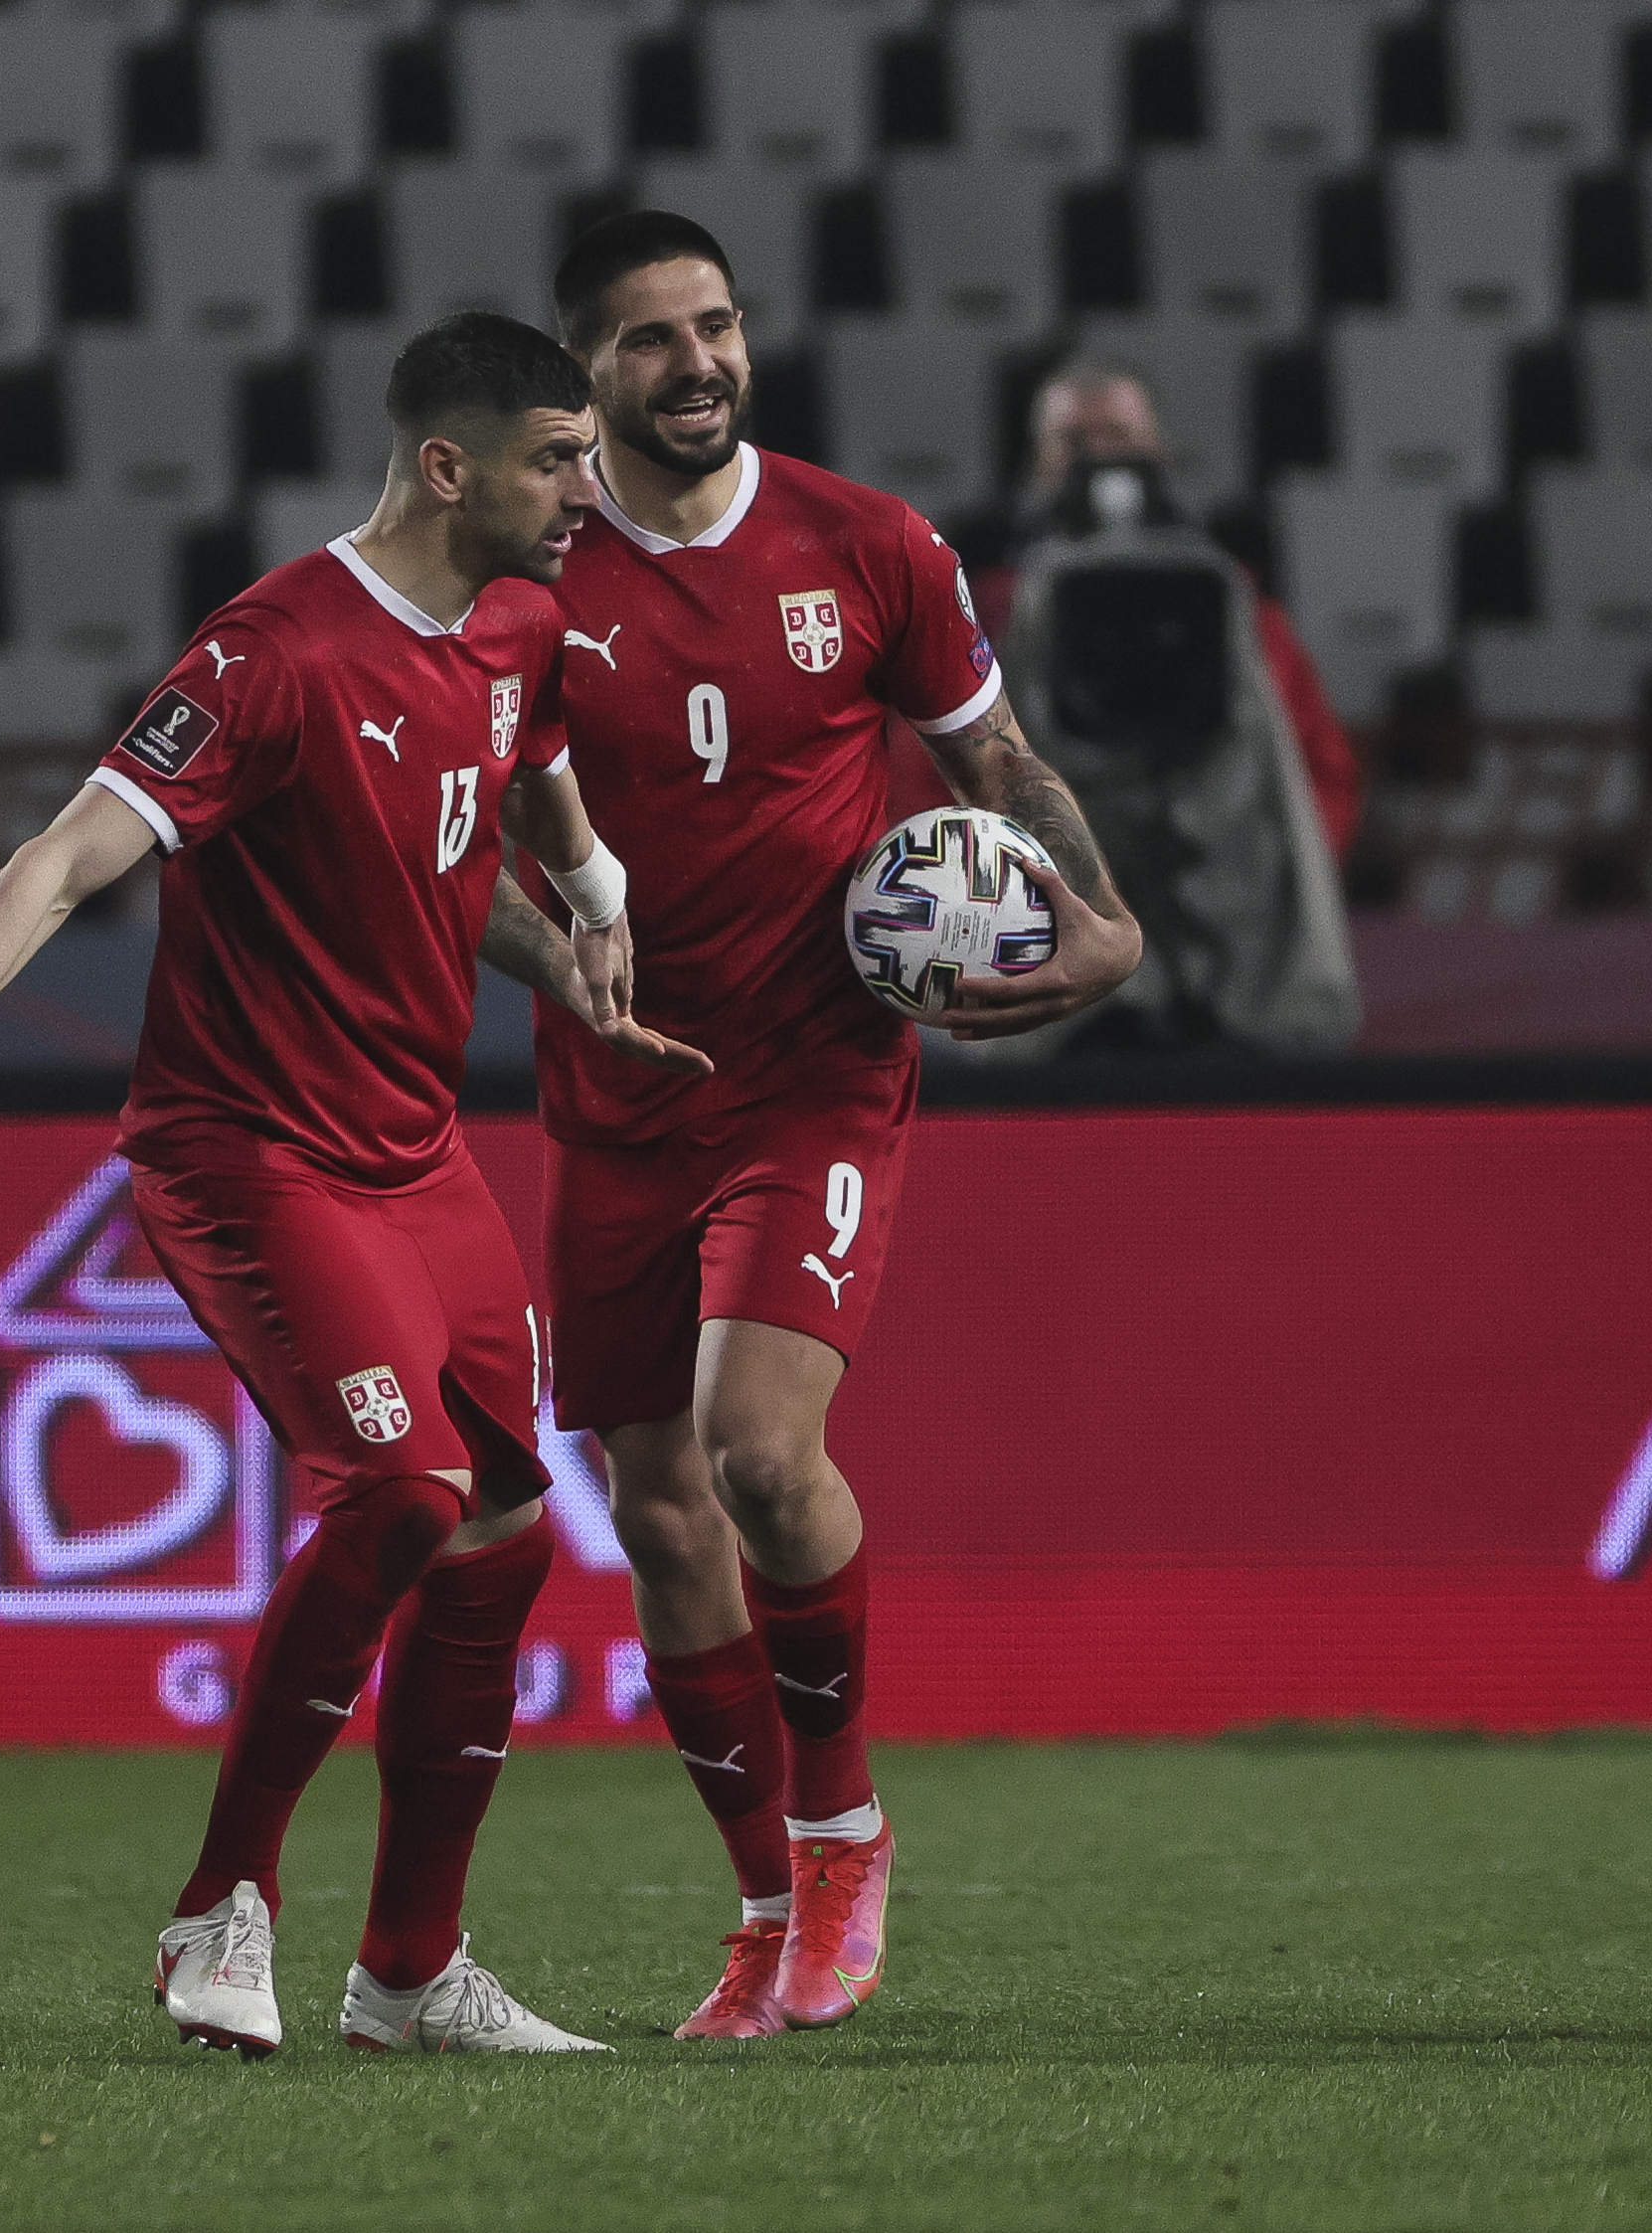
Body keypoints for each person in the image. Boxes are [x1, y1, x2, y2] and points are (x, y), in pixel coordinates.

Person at [0, 311, 671, 2056]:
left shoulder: (518, 618)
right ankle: (218, 1911)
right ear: (448, 466)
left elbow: (521, 777)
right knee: (401, 1489)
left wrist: (589, 913)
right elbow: (68, 855)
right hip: (246, 1149)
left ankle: (412, 1974)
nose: (593, 486)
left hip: (418, 1153)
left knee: (504, 1516)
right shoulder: (272, 654)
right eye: (560, 457)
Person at [492, 210, 1141, 2041]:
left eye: (717, 326)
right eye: (649, 342)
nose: (697, 363)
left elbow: (994, 766)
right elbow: (456, 846)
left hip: (818, 1065)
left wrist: (1102, 922)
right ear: (587, 376)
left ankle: (846, 1827)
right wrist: (561, 964)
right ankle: (766, 1907)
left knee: (761, 1456)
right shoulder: (525, 583)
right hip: (619, 1099)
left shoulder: (867, 544)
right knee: (661, 1514)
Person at [883, 361, 1366, 861]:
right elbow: (924, 771)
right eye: (1073, 441)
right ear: (1037, 460)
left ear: (1159, 451)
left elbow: (1318, 774)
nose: (1098, 460)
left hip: (1214, 893)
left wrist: (1264, 871)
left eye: (1120, 436)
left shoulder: (1231, 608)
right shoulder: (980, 612)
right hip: (1046, 897)